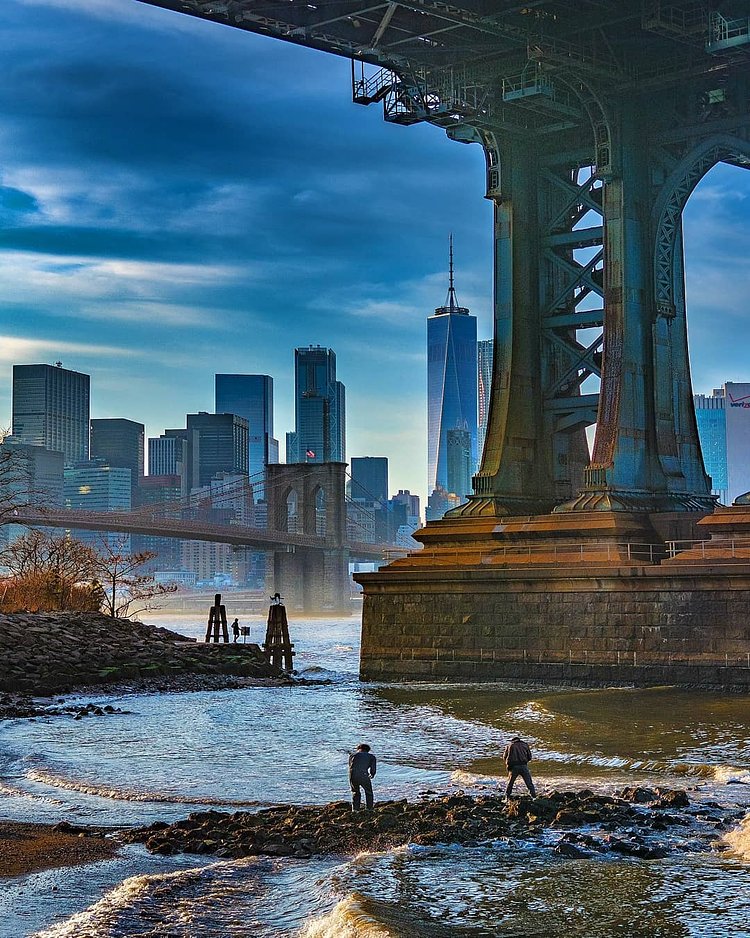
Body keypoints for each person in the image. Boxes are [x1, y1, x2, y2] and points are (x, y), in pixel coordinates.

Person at [348, 743, 377, 811]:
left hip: (352, 774)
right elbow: (373, 768)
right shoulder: (371, 757)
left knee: (355, 792)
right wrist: (372, 774)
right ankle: (369, 809)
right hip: (363, 774)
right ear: (367, 750)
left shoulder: (352, 755)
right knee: (368, 792)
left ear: (358, 749)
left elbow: (350, 765)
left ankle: (355, 809)